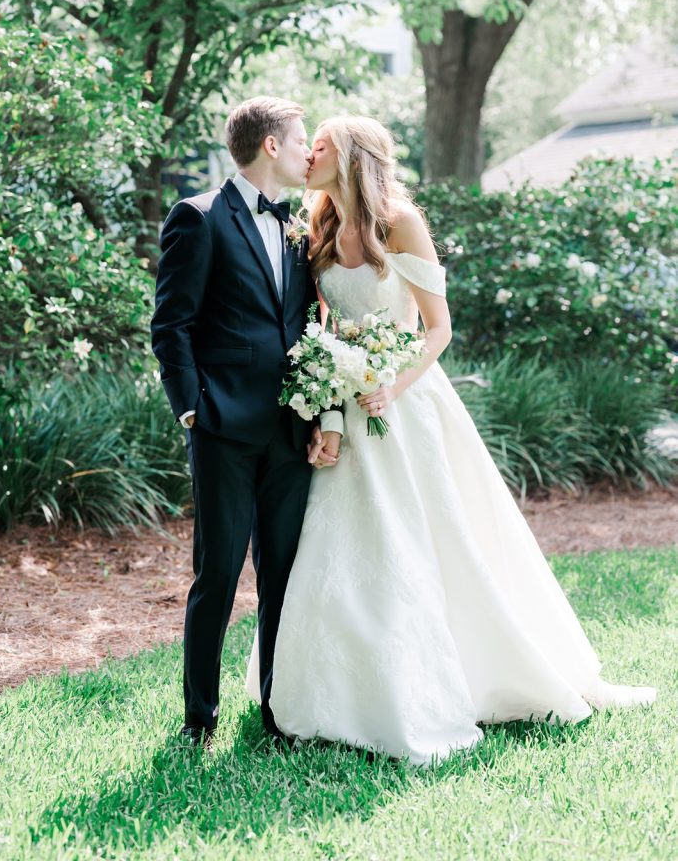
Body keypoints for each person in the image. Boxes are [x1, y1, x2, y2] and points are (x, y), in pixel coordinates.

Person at [246, 115, 656, 765]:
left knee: (435, 542)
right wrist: (327, 413)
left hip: (406, 403)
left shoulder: (400, 222)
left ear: (350, 154)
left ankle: (465, 675)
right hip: (345, 409)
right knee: (342, 546)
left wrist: (391, 386)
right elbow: (319, 332)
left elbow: (438, 330)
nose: (310, 153)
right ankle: (332, 694)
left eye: (319, 144)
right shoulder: (316, 226)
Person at [151, 96, 341, 748]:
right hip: (224, 430)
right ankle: (197, 719)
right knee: (219, 575)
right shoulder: (198, 218)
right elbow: (170, 325)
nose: (307, 153)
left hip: (290, 429)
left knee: (284, 572)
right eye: (299, 142)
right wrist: (192, 408)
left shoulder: (298, 227)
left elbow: (310, 322)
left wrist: (323, 409)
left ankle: (276, 710)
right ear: (269, 147)